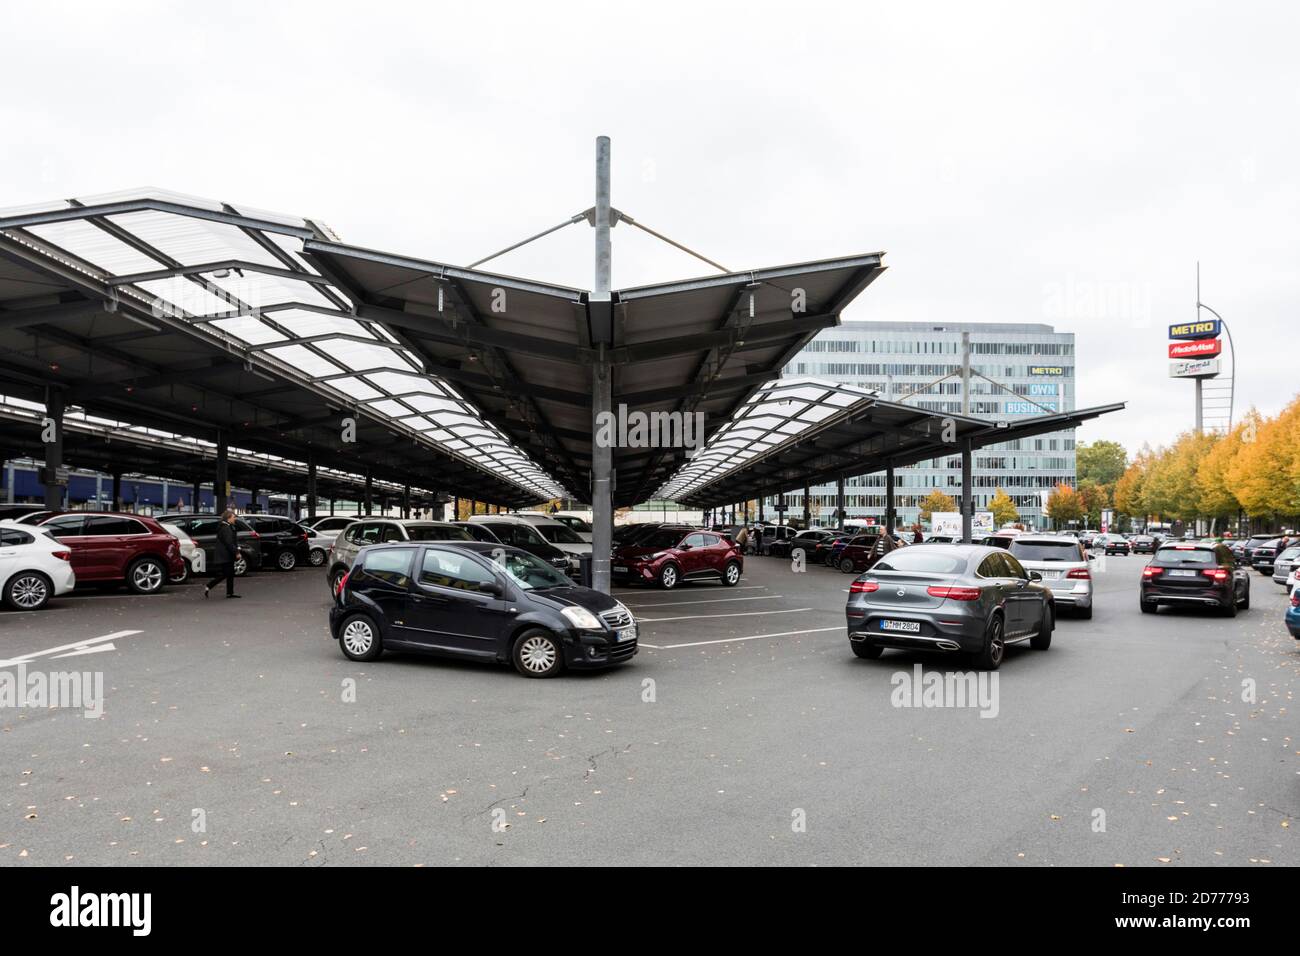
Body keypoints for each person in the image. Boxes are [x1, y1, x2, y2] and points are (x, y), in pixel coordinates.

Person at [204, 510, 242, 599]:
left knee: (230, 573)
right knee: (226, 573)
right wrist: (236, 552)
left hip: (225, 554)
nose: (234, 519)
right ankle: (209, 585)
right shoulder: (226, 528)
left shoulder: (226, 526)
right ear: (229, 518)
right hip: (226, 555)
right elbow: (229, 542)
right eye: (233, 517)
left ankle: (230, 593)